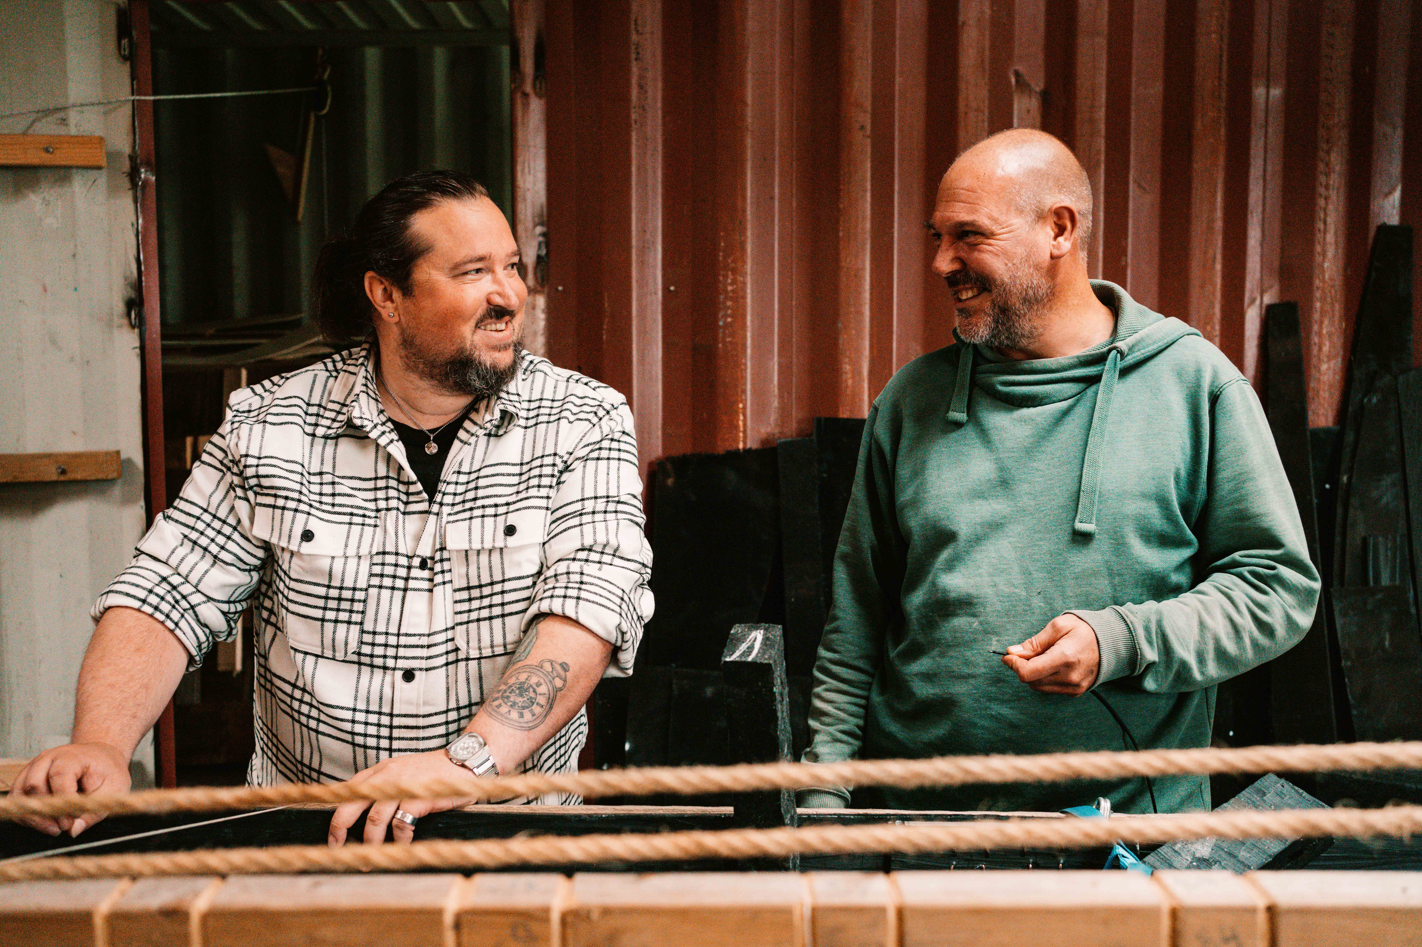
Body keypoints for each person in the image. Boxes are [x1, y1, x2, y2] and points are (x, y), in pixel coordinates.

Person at [9, 171, 654, 844]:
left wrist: (465, 762)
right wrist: (101, 745)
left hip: (513, 840)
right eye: (473, 272)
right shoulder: (270, 427)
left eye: (513, 267)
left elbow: (589, 607)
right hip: (311, 844)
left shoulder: (583, 420)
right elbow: (167, 592)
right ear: (385, 294)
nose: (509, 296)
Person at [800, 129, 1319, 814]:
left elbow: (1278, 589)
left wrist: (1123, 641)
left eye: (969, 236)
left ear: (1059, 230)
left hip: (1127, 843)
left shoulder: (1194, 387)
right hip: (919, 831)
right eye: (937, 236)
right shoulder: (911, 400)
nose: (940, 262)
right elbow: (856, 621)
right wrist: (826, 792)